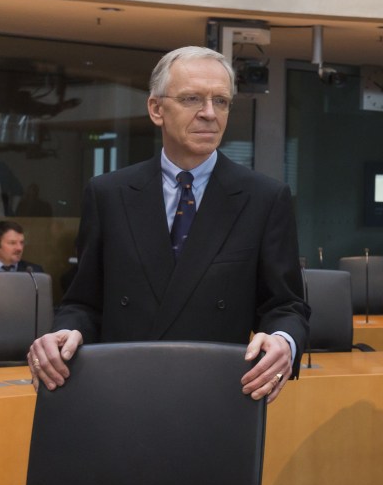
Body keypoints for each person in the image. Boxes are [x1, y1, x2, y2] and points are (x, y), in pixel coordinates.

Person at [27, 46, 310, 403]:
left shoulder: (265, 198)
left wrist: (283, 341)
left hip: (218, 394)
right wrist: (64, 331)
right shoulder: (109, 194)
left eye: (221, 101)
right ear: (156, 109)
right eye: (193, 98)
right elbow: (84, 302)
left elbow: (286, 306)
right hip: (121, 393)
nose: (209, 113)